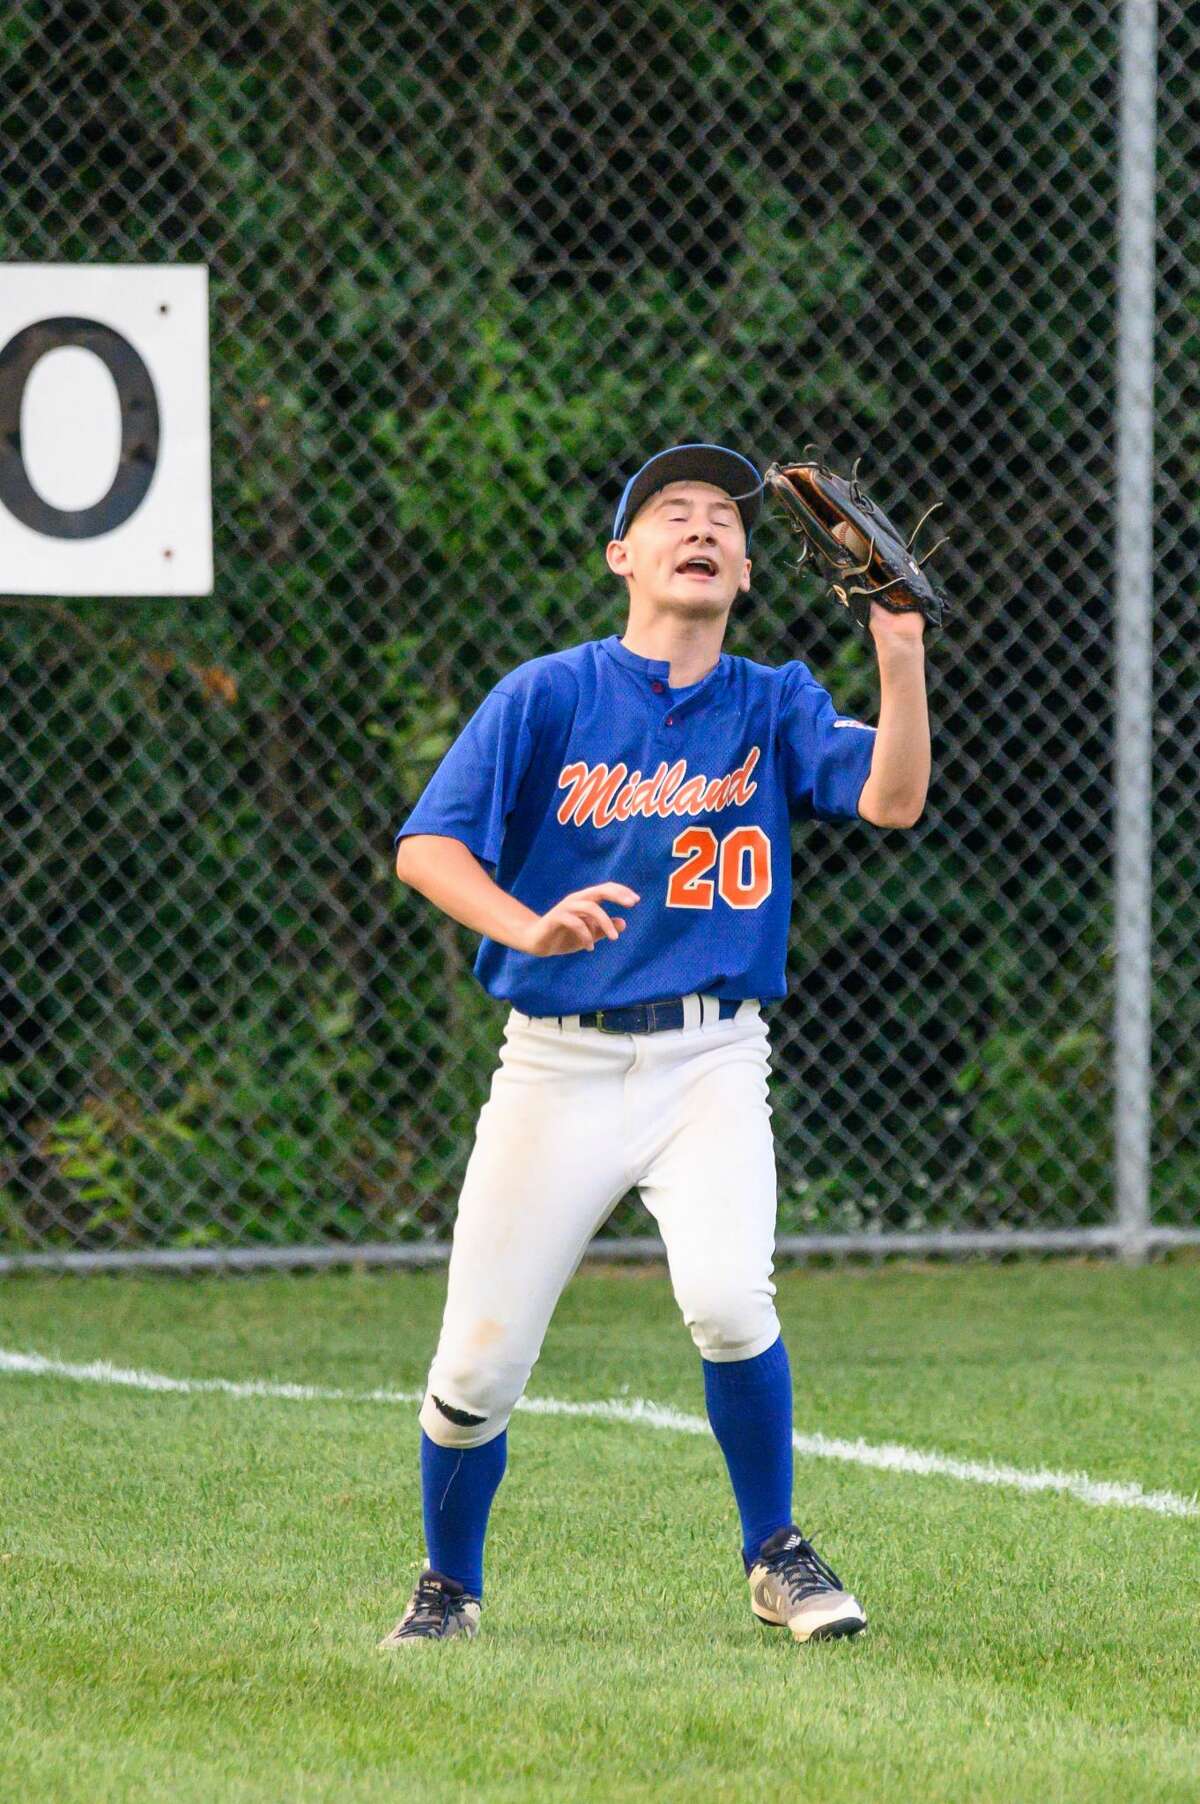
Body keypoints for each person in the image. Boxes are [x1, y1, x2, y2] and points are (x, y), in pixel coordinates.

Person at [379, 443, 930, 1647]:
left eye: (722, 521)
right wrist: (530, 921)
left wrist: (900, 649)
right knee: (475, 1370)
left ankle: (775, 1549)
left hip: (710, 1059)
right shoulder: (550, 695)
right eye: (668, 513)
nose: (701, 527)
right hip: (556, 1063)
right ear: (621, 557)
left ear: (744, 572)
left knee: (731, 1298)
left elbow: (891, 799)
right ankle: (449, 1588)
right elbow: (429, 848)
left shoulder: (772, 700)